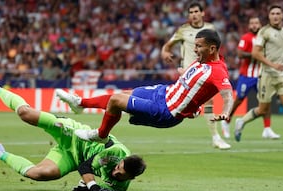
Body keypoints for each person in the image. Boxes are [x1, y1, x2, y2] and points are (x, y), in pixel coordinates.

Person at [0, 65, 146, 191]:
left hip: (71, 157)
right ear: (121, 161)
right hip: (74, 135)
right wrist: (92, 186)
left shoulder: (121, 186)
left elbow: (87, 173)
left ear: (130, 178)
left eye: (120, 174)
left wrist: (85, 187)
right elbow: (87, 166)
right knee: (26, 113)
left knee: (38, 174)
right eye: (118, 167)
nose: (115, 172)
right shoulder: (117, 153)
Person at [57, 29, 234, 147]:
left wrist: (226, 112)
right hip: (163, 93)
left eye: (198, 46)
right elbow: (193, 85)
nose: (195, 50)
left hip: (166, 110)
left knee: (115, 101)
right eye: (195, 45)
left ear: (212, 48)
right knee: (122, 95)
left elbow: (227, 95)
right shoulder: (202, 61)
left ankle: (101, 135)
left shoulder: (218, 71)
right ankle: (80, 103)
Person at [234, 5, 283, 150]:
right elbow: (256, 53)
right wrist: (272, 65)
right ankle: (241, 121)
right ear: (269, 16)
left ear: (282, 16)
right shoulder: (264, 32)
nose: (275, 16)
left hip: (282, 75)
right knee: (262, 109)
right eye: (272, 13)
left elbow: (281, 50)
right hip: (267, 75)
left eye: (278, 13)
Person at [161, 2, 230, 149]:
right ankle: (213, 132)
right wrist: (166, 52)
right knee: (185, 104)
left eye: (196, 11)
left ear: (202, 13)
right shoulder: (183, 30)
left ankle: (215, 137)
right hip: (189, 73)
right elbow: (167, 46)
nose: (193, 14)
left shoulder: (210, 29)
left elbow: (216, 49)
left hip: (206, 71)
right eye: (191, 12)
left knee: (209, 102)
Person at [221, 16, 280, 139]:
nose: (254, 25)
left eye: (256, 23)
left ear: (260, 24)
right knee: (238, 100)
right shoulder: (246, 38)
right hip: (247, 76)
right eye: (252, 23)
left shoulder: (265, 38)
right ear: (249, 25)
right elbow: (240, 54)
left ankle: (267, 129)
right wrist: (255, 54)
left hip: (262, 76)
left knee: (266, 101)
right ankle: (226, 122)